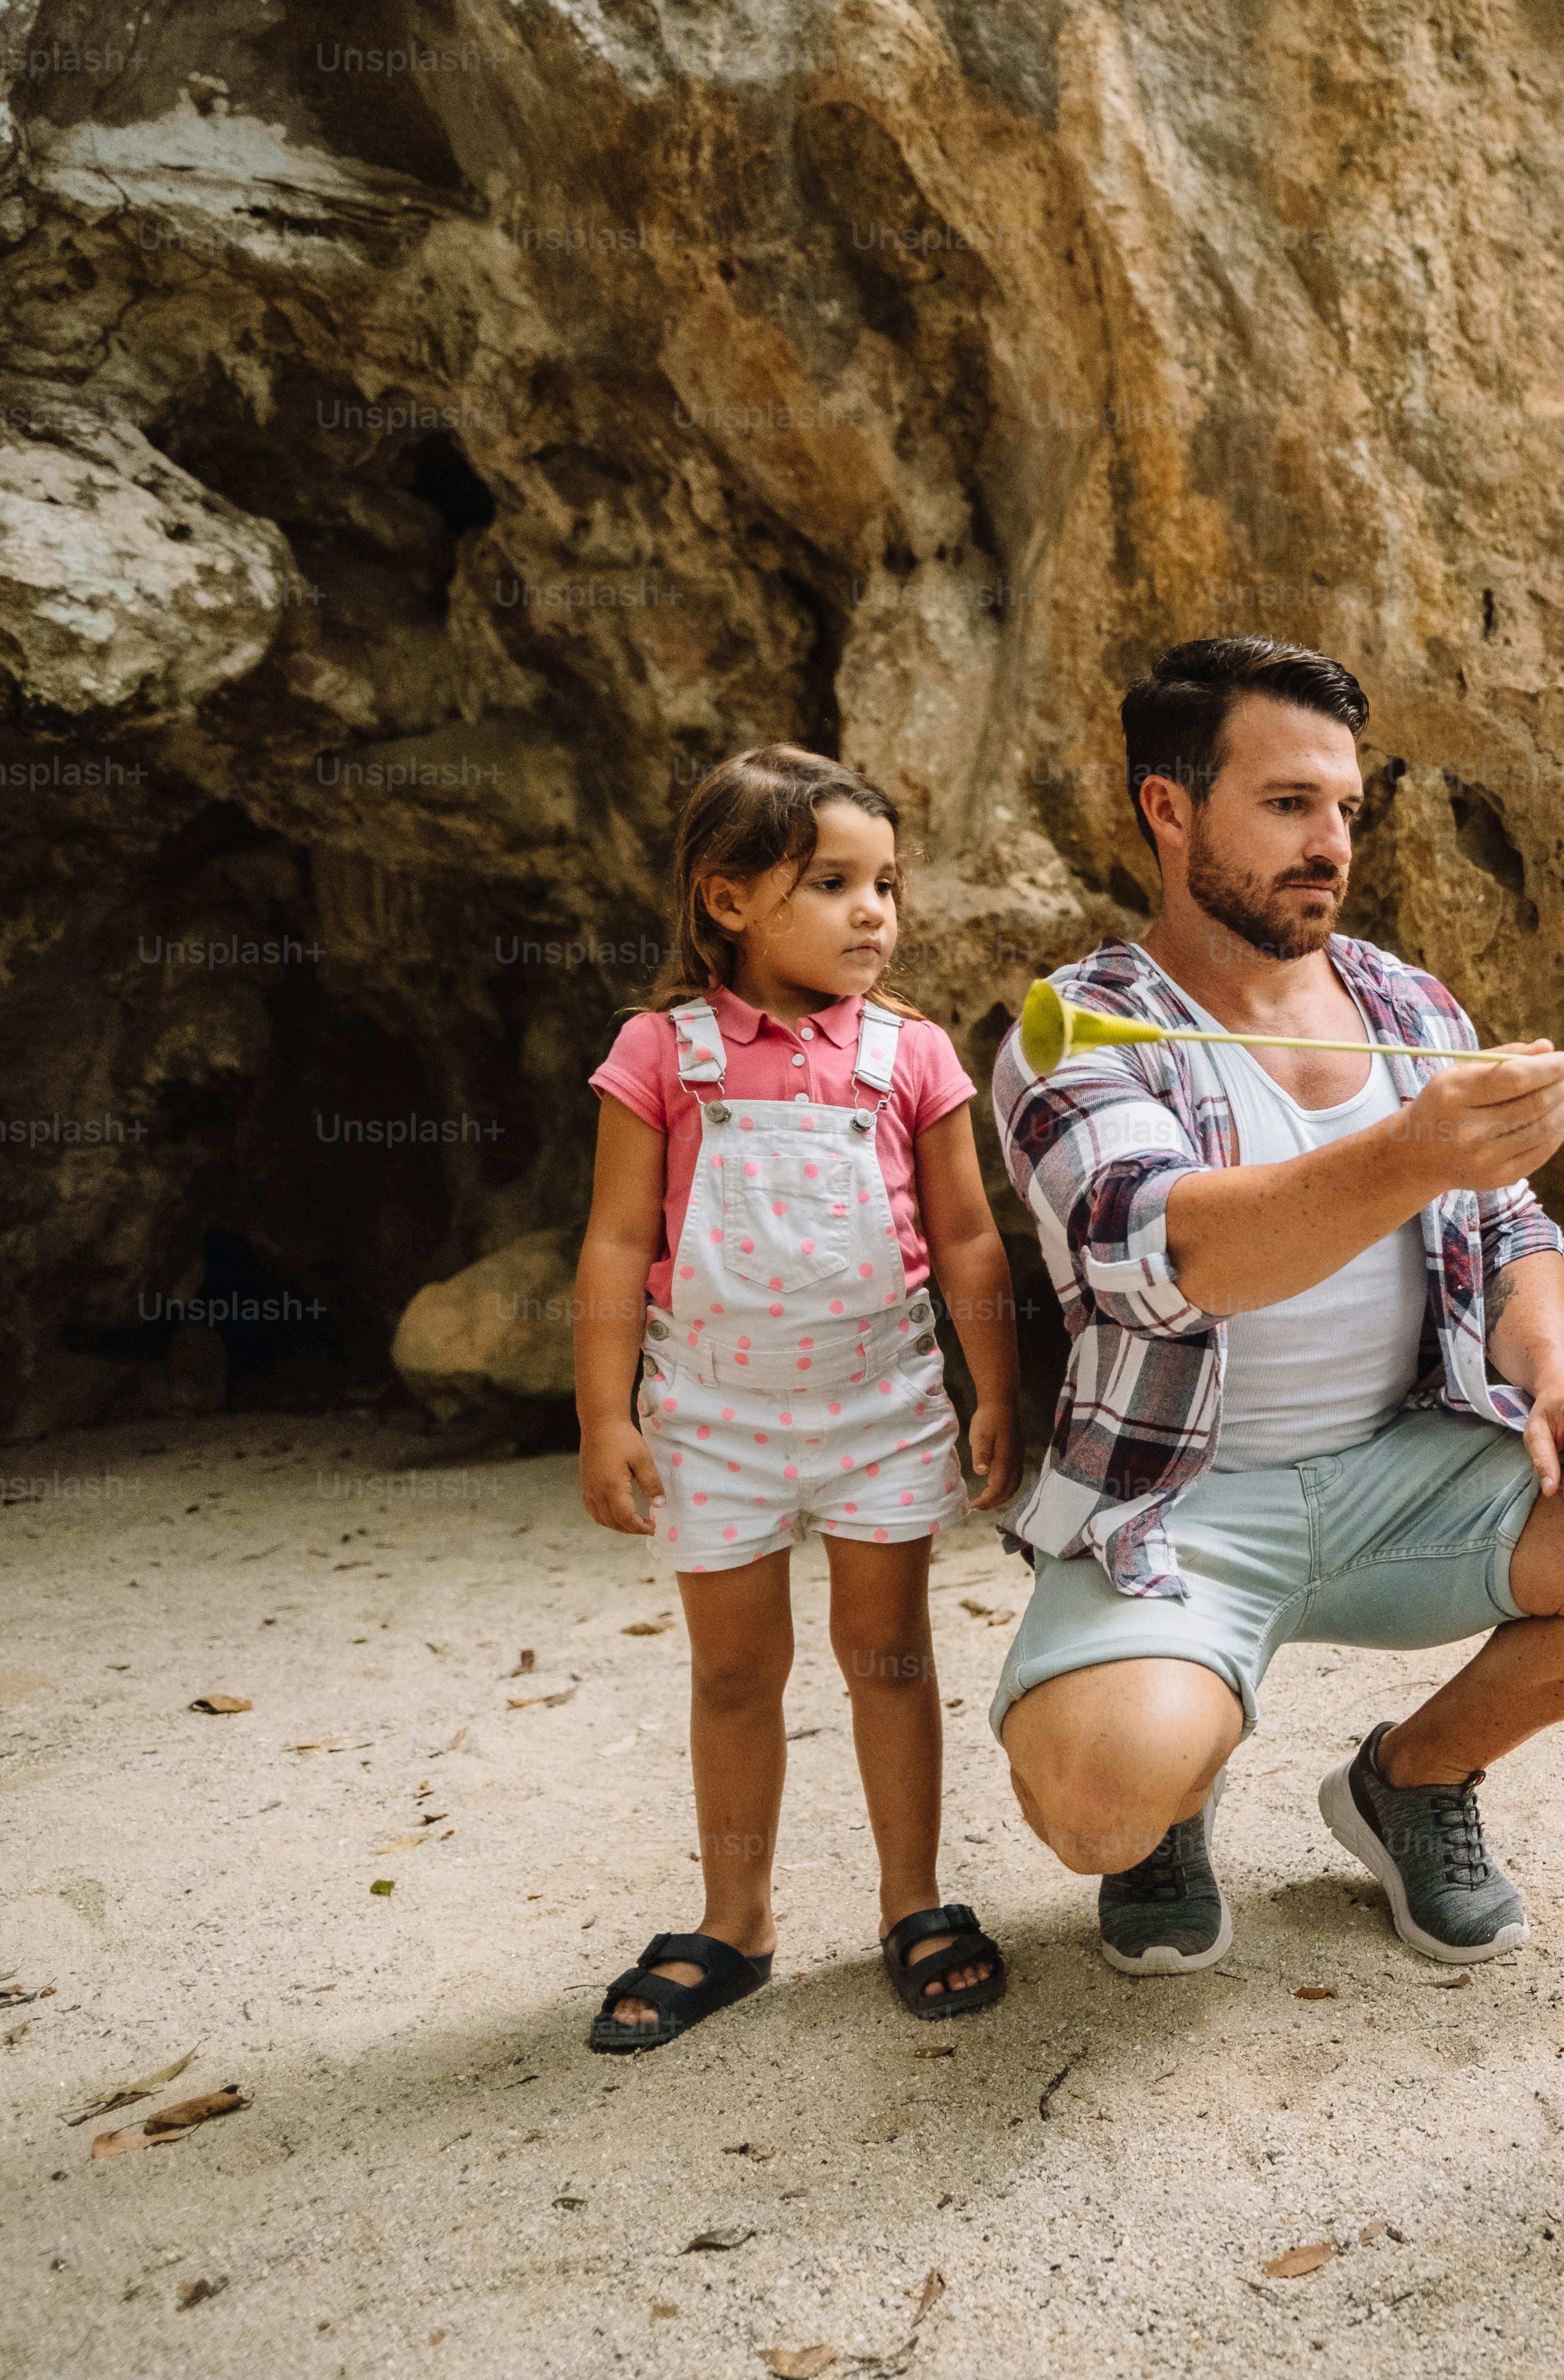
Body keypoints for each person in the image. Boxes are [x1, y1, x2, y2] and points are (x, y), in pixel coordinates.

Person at [988, 636, 1564, 1973]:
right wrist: (1416, 1151)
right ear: (1168, 809)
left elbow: (1511, 1228)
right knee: (1102, 1796)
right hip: (1182, 1503)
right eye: (1286, 806)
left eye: (1343, 809)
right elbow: (1164, 1253)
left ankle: (1413, 1782)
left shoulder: (1403, 1001)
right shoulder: (1078, 1026)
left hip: (1406, 1472)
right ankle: (1175, 1779)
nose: (1330, 842)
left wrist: (1558, 1379)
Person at [568, 744, 1024, 2049]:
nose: (874, 910)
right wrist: (607, 1416)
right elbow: (612, 1242)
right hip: (713, 1416)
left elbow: (970, 1239)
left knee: (887, 1658)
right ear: (727, 899)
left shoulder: (914, 1055)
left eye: (886, 882)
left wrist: (994, 1388)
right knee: (732, 1671)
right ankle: (735, 1922)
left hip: (879, 1404)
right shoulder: (663, 1052)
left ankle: (913, 1902)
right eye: (832, 882)